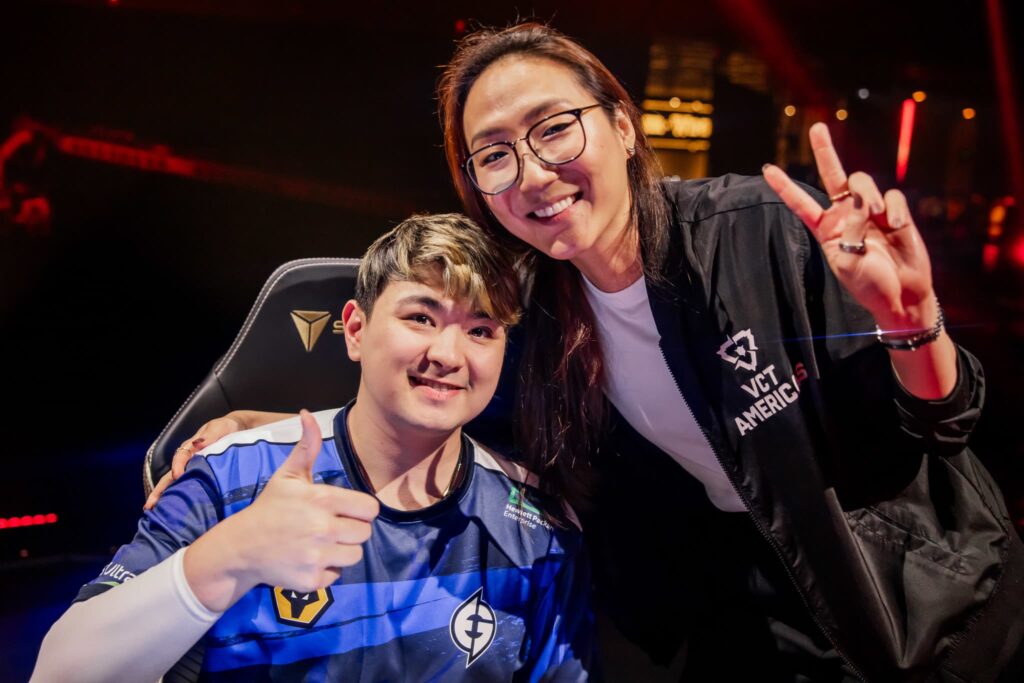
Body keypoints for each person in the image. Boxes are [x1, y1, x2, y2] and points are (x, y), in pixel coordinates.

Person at [153, 23, 1024, 681]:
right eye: (493, 155)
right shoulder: (535, 315)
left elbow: (943, 419)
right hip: (751, 608)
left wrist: (913, 319)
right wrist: (263, 425)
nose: (531, 172)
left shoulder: (759, 232)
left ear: (623, 126)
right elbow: (446, 414)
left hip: (923, 590)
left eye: (554, 129)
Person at [32, 213, 594, 682]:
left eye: (481, 330)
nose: (448, 353)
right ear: (355, 330)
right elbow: (60, 671)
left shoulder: (536, 526)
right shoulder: (236, 474)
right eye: (420, 317)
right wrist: (232, 554)